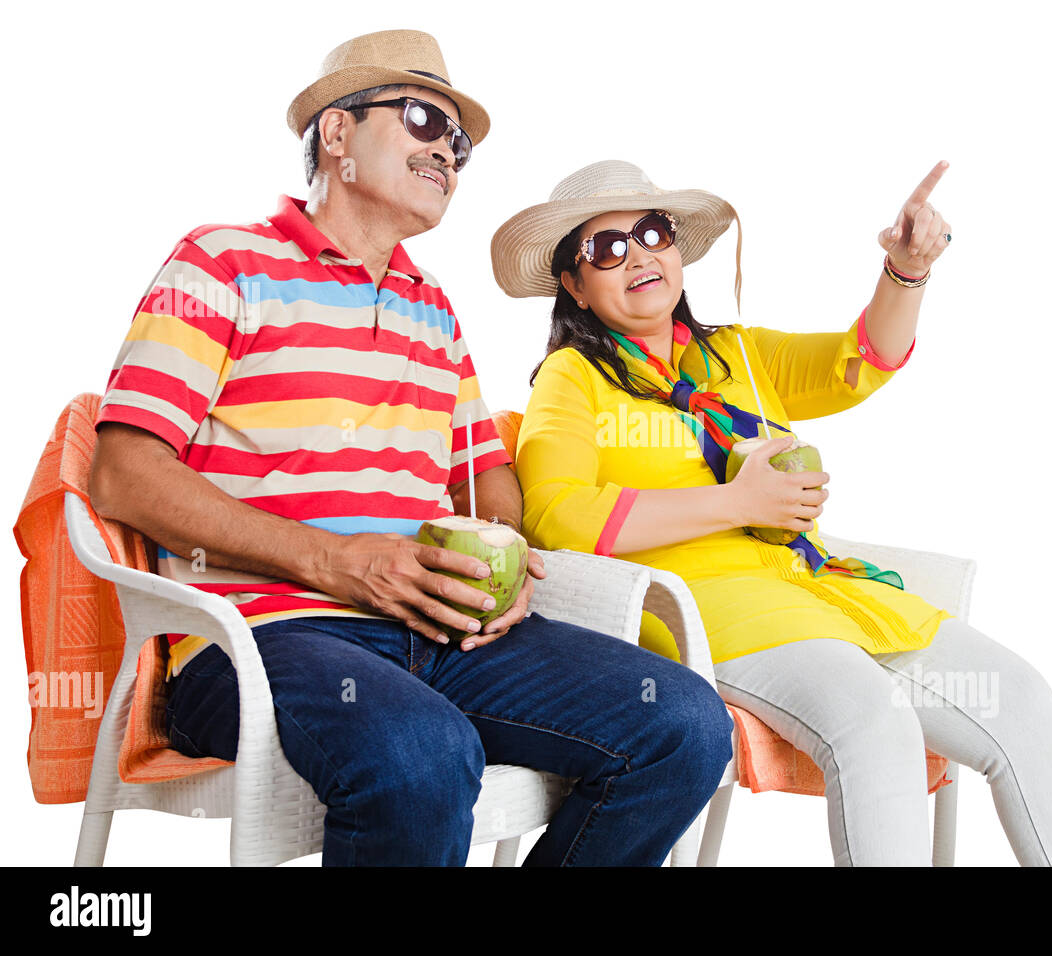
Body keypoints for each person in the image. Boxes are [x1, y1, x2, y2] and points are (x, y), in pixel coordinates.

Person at [87, 33, 731, 867]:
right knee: (423, 754)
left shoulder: (433, 308)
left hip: (437, 629)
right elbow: (123, 473)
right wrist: (337, 562)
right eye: (424, 119)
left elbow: (488, 480)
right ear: (337, 134)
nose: (447, 152)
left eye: (457, 142)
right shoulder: (219, 264)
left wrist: (498, 558)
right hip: (260, 639)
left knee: (682, 724)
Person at [492, 159, 1052, 866]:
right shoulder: (573, 378)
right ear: (573, 283)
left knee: (1023, 702)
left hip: (825, 590)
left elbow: (859, 361)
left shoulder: (740, 356)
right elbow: (556, 516)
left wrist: (905, 270)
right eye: (606, 248)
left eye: (653, 231)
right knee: (875, 724)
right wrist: (736, 503)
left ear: (677, 250)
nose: (638, 254)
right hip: (709, 611)